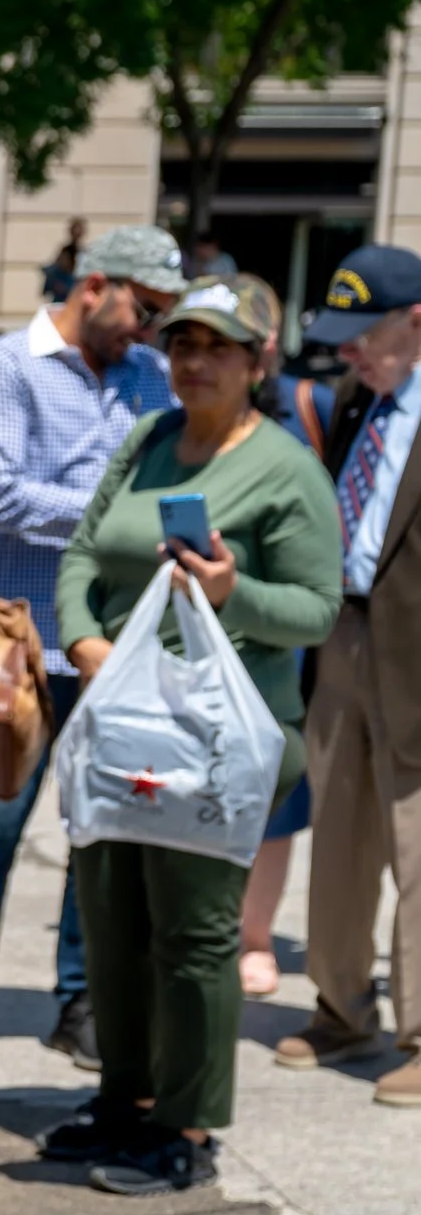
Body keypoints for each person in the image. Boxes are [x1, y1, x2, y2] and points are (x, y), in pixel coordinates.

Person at [49, 279, 342, 1189]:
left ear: (258, 361)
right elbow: (86, 553)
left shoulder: (287, 469)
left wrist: (232, 594)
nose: (194, 360)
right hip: (126, 721)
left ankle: (189, 1129)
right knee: (112, 918)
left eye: (217, 346)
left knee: (194, 931)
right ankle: (127, 1100)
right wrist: (84, 636)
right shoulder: (149, 441)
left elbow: (317, 611)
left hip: (222, 737)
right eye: (181, 343)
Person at [0, 225, 181, 1072]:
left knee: (101, 834)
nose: (149, 330)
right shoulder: (5, 368)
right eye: (143, 308)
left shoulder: (150, 377)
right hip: (23, 642)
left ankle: (82, 999)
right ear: (95, 286)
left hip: (111, 644)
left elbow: (170, 484)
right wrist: (126, 517)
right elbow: (5, 499)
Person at [279, 246, 421, 1109]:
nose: (347, 354)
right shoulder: (355, 400)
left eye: (361, 335)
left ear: (416, 320)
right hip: (345, 636)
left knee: (417, 844)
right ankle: (342, 1004)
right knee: (337, 832)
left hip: (415, 652)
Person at [231, 273, 332, 996]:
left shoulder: (309, 404)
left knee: (276, 787)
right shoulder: (176, 410)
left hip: (285, 628)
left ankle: (255, 933)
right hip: (188, 624)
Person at [41, 217, 87, 304]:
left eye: (79, 231)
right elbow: (53, 273)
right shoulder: (64, 251)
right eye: (74, 231)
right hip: (61, 300)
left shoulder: (84, 253)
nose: (76, 234)